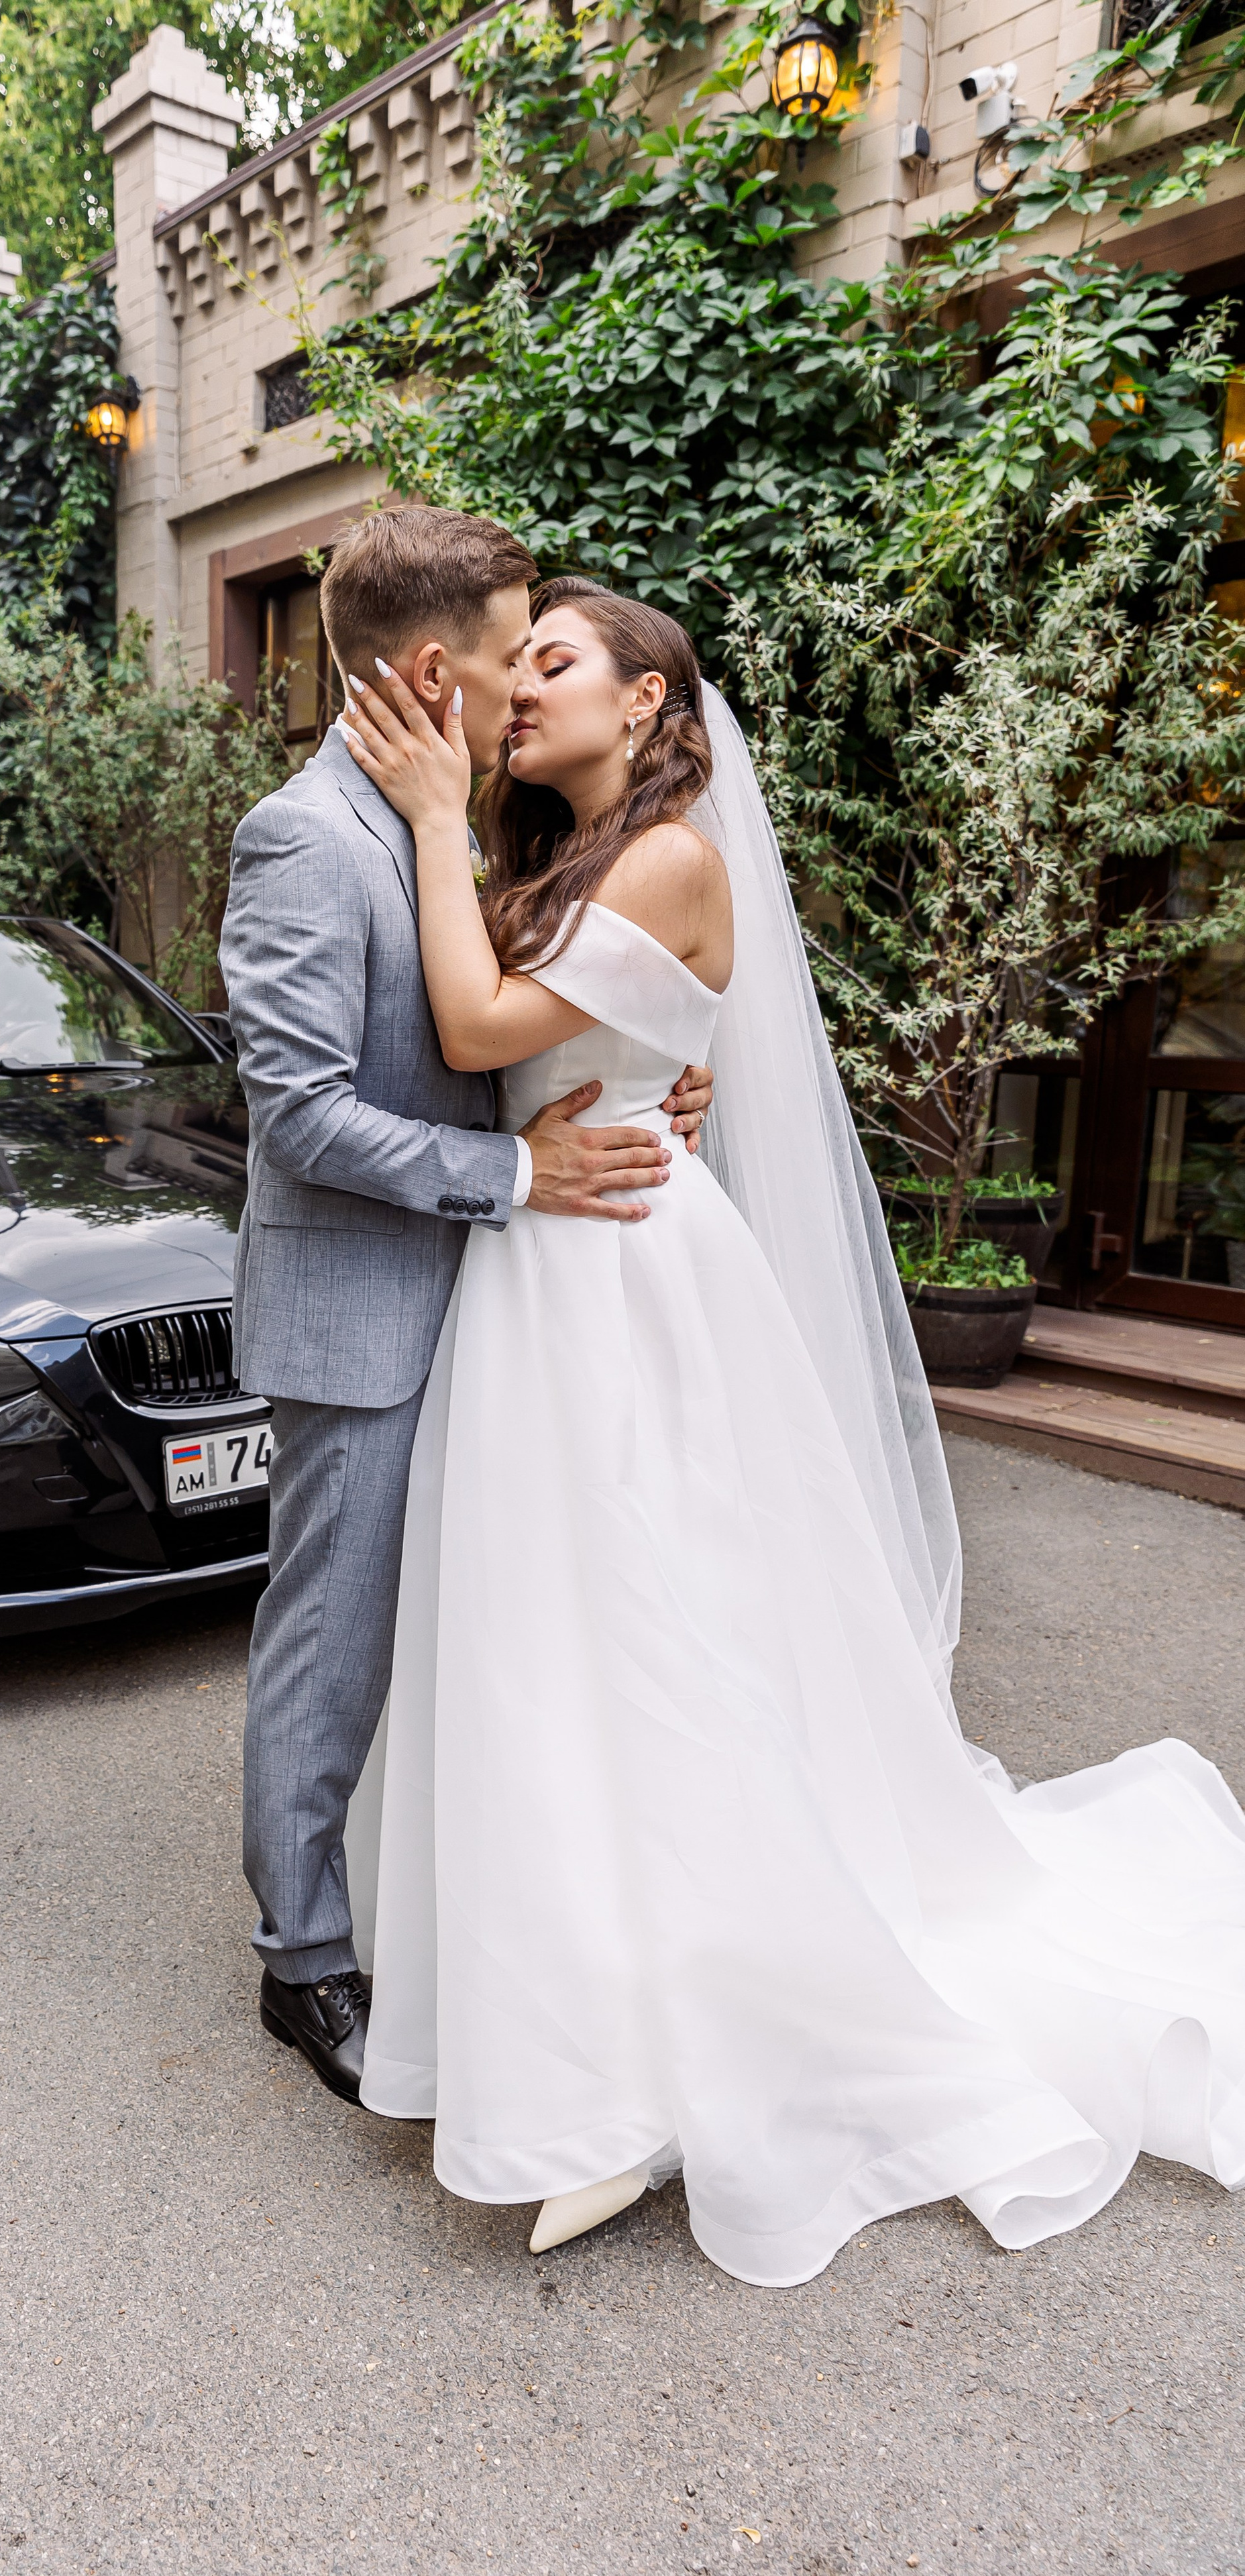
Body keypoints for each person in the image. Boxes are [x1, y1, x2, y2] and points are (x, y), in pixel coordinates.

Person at [337, 576, 1245, 2284]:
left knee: (649, 1626)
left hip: (618, 1272)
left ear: (649, 701)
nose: (518, 689)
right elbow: (521, 1057)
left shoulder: (668, 855)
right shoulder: (572, 858)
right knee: (552, 1639)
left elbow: (475, 1027)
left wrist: (436, 818)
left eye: (551, 662)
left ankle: (651, 2051)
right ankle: (567, 2006)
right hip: (547, 1258)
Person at [217, 512, 716, 2105]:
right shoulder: (306, 839)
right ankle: (304, 1959)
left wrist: (647, 1074)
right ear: (437, 671)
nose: (526, 686)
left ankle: (444, 1915)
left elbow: (520, 1018)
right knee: (334, 1642)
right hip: (368, 1311)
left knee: (483, 1635)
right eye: (515, 654)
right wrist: (516, 1170)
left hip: (508, 1307)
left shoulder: (470, 828)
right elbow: (300, 1115)